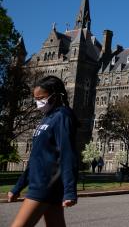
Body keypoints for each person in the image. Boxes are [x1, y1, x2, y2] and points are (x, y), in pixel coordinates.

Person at [7, 75, 78, 227]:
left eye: (41, 98)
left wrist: (70, 190)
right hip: (39, 181)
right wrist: (18, 187)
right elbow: (36, 158)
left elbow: (67, 154)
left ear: (55, 95)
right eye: (36, 99)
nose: (38, 103)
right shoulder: (46, 118)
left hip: (45, 183)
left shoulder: (62, 116)